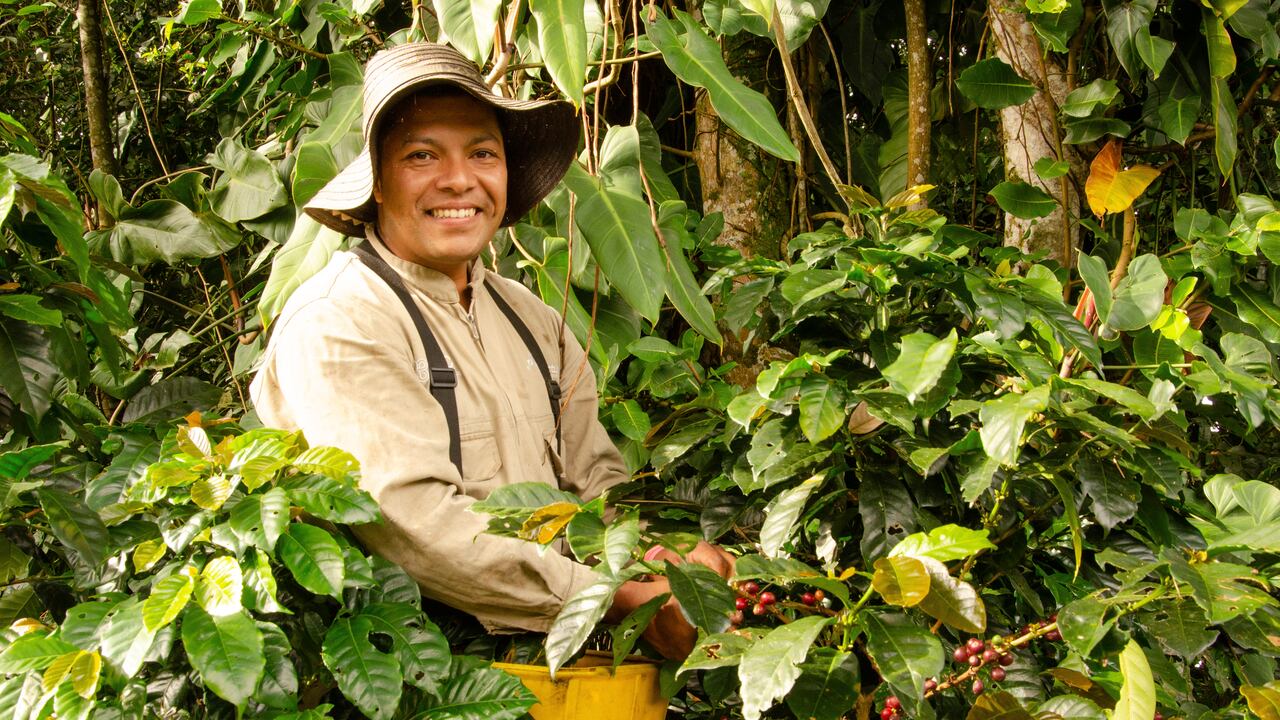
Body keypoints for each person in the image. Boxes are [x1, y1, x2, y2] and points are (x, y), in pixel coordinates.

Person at [250, 42, 730, 660]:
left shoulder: (534, 320)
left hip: (567, 663)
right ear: (376, 180)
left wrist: (665, 561)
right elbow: (412, 524)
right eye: (421, 155)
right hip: (430, 672)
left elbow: (596, 485)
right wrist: (607, 596)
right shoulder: (341, 320)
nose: (459, 179)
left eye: (482, 153)